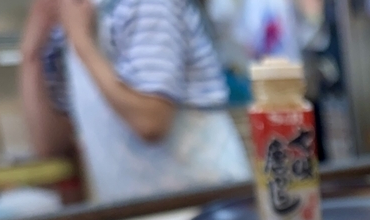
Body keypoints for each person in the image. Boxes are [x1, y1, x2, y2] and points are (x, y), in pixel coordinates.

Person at [19, 0, 252, 204]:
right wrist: (31, 54)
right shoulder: (71, 14)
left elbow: (150, 121)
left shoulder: (146, 4)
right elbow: (50, 147)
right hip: (133, 211)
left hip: (201, 203)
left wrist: (81, 42)